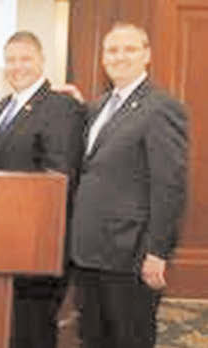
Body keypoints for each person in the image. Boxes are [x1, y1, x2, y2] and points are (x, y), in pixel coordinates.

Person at [69, 22, 187, 348]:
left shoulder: (161, 108)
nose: (119, 57)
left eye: (129, 49)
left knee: (130, 339)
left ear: (146, 55)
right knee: (93, 338)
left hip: (130, 255)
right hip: (89, 251)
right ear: (103, 58)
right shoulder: (97, 107)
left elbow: (169, 186)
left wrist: (158, 252)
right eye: (112, 50)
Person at [0, 30, 85, 348]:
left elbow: (58, 177)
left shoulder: (60, 106)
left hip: (38, 242)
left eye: (26, 58)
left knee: (32, 331)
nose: (17, 66)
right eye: (11, 60)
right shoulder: (2, 106)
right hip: (4, 239)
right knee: (10, 327)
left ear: (42, 61)